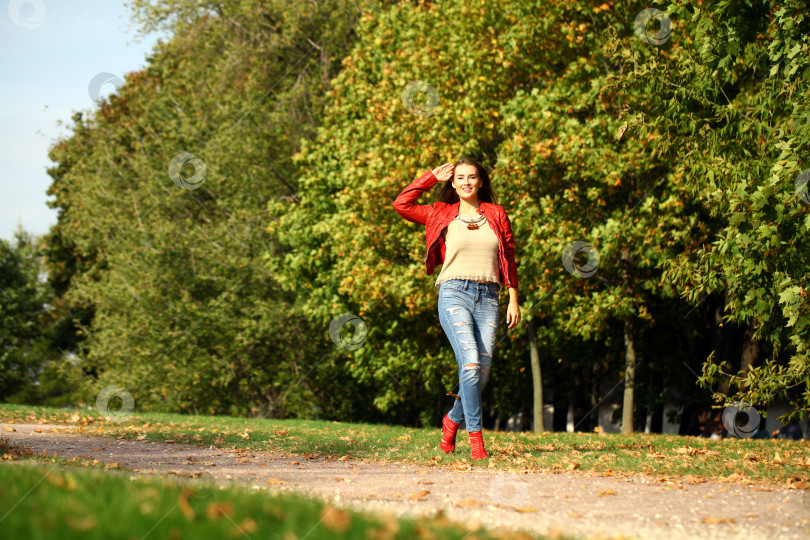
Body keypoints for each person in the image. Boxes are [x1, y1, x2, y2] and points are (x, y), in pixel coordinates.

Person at [392, 159, 520, 461]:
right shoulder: (440, 212)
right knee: (471, 365)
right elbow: (402, 204)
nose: (466, 182)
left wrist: (513, 297)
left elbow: (509, 257)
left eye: (472, 177)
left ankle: (452, 420)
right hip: (454, 293)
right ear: (453, 183)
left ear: (480, 181)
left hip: (489, 296)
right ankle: (475, 439)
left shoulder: (496, 214)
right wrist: (430, 178)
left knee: (481, 373)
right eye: (460, 177)